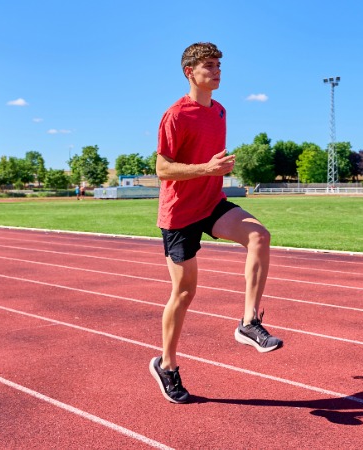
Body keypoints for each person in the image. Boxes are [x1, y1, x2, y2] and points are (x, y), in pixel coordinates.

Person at [148, 42, 282, 404]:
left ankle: (249, 322)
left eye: (219, 65)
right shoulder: (176, 115)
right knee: (185, 293)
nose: (217, 71)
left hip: (211, 202)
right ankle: (167, 365)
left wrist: (216, 173)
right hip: (178, 214)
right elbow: (162, 168)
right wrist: (207, 168)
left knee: (259, 235)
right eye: (209, 65)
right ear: (189, 72)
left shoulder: (220, 111)